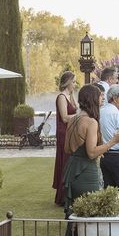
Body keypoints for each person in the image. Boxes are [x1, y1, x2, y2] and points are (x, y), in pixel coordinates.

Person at [61, 84, 119, 236]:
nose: (102, 99)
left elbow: (67, 148)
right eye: (100, 96)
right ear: (92, 99)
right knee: (90, 217)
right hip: (87, 174)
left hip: (72, 171)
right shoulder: (91, 122)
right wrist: (114, 141)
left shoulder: (73, 119)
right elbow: (91, 152)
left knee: (74, 217)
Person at [52, 71, 78, 206]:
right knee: (65, 162)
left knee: (70, 162)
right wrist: (81, 115)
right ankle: (62, 196)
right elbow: (64, 117)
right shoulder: (62, 97)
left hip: (71, 132)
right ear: (67, 82)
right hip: (64, 133)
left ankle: (70, 194)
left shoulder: (71, 96)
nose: (75, 84)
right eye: (73, 82)